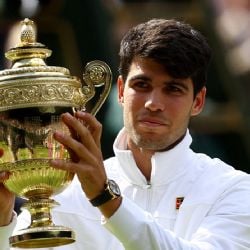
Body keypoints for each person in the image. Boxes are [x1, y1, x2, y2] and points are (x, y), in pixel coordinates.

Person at [1, 18, 250, 250]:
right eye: (142, 85)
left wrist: (105, 197)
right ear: (120, 90)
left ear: (198, 102)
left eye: (173, 89)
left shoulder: (233, 189)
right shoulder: (66, 195)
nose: (153, 103)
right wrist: (3, 222)